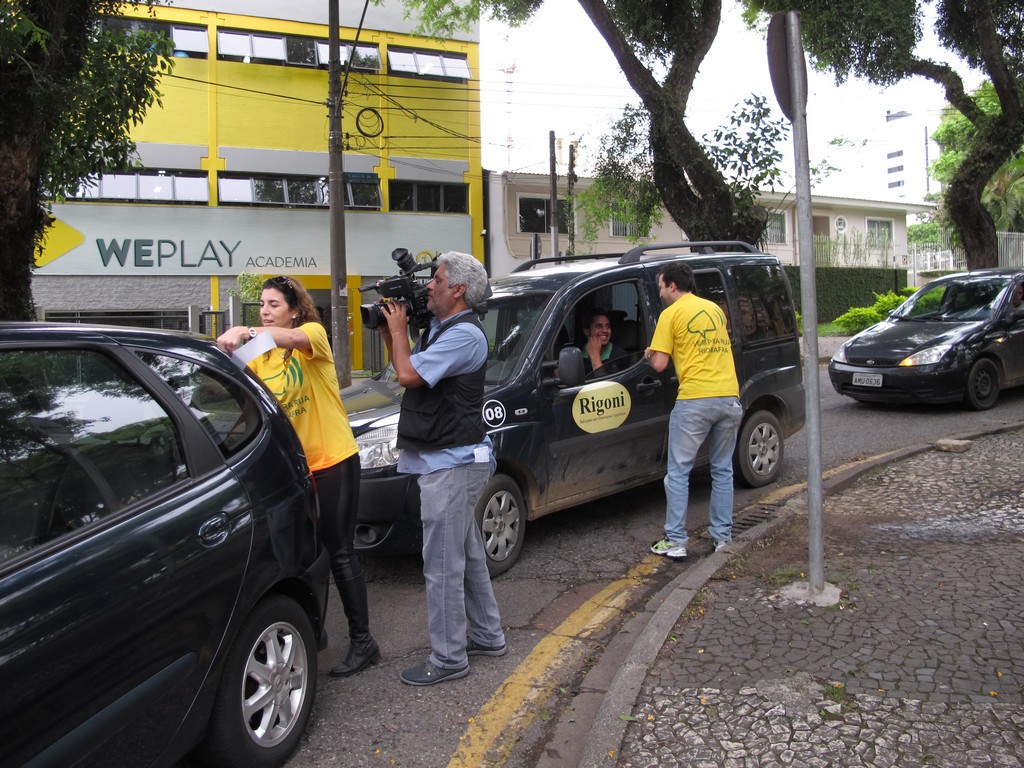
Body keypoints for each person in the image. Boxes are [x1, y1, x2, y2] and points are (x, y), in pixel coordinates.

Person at [217, 276, 378, 677]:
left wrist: (245, 331)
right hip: (295, 470)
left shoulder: (312, 336)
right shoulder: (260, 355)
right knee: (302, 555)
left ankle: (363, 642)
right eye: (261, 305)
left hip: (333, 459)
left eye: (274, 304)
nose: (265, 311)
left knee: (339, 550)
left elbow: (288, 339)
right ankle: (313, 631)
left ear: (294, 310)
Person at [377, 251, 506, 687]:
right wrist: (390, 331)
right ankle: (488, 635)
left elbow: (408, 377)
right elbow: (404, 367)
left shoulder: (464, 335)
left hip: (453, 464)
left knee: (442, 566)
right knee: (466, 557)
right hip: (449, 460)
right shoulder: (440, 328)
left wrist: (399, 330)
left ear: (459, 290)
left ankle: (449, 658)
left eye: (437, 280)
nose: (428, 286)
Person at [643, 262, 742, 560]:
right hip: (729, 397)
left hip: (695, 399)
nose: (660, 293)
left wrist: (649, 354)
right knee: (722, 470)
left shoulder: (670, 314)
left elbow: (660, 364)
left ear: (672, 286)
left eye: (661, 287)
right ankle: (723, 538)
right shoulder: (714, 310)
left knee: (678, 473)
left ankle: (675, 541)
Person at [581, 307, 628, 376]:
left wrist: (595, 357)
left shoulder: (620, 356)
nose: (605, 330)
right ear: (587, 331)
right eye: (599, 326)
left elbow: (606, 383)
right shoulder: (577, 353)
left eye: (608, 326)